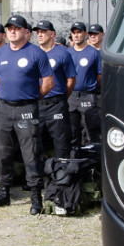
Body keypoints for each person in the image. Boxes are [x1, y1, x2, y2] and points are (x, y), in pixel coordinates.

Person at [0, 15, 54, 215]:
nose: (12, 31)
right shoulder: (0, 54)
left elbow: (49, 83)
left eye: (16, 28)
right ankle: (4, 193)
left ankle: (35, 197)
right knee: (2, 151)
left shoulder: (36, 54)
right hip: (4, 108)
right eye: (9, 28)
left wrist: (29, 97)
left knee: (30, 152)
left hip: (26, 109)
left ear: (26, 32)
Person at [33, 20, 76, 158]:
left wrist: (62, 97)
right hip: (37, 105)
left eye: (43, 32)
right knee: (37, 143)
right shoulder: (33, 53)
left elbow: (71, 80)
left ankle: (62, 174)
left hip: (56, 105)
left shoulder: (63, 53)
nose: (40, 35)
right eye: (38, 32)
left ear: (53, 34)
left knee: (61, 142)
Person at [68, 21, 102, 147]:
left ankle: (92, 161)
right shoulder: (68, 52)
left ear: (85, 34)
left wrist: (90, 89)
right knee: (72, 131)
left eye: (79, 32)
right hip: (71, 97)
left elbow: (99, 76)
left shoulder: (93, 53)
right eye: (74, 33)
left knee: (91, 130)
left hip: (87, 96)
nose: (76, 35)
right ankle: (74, 160)